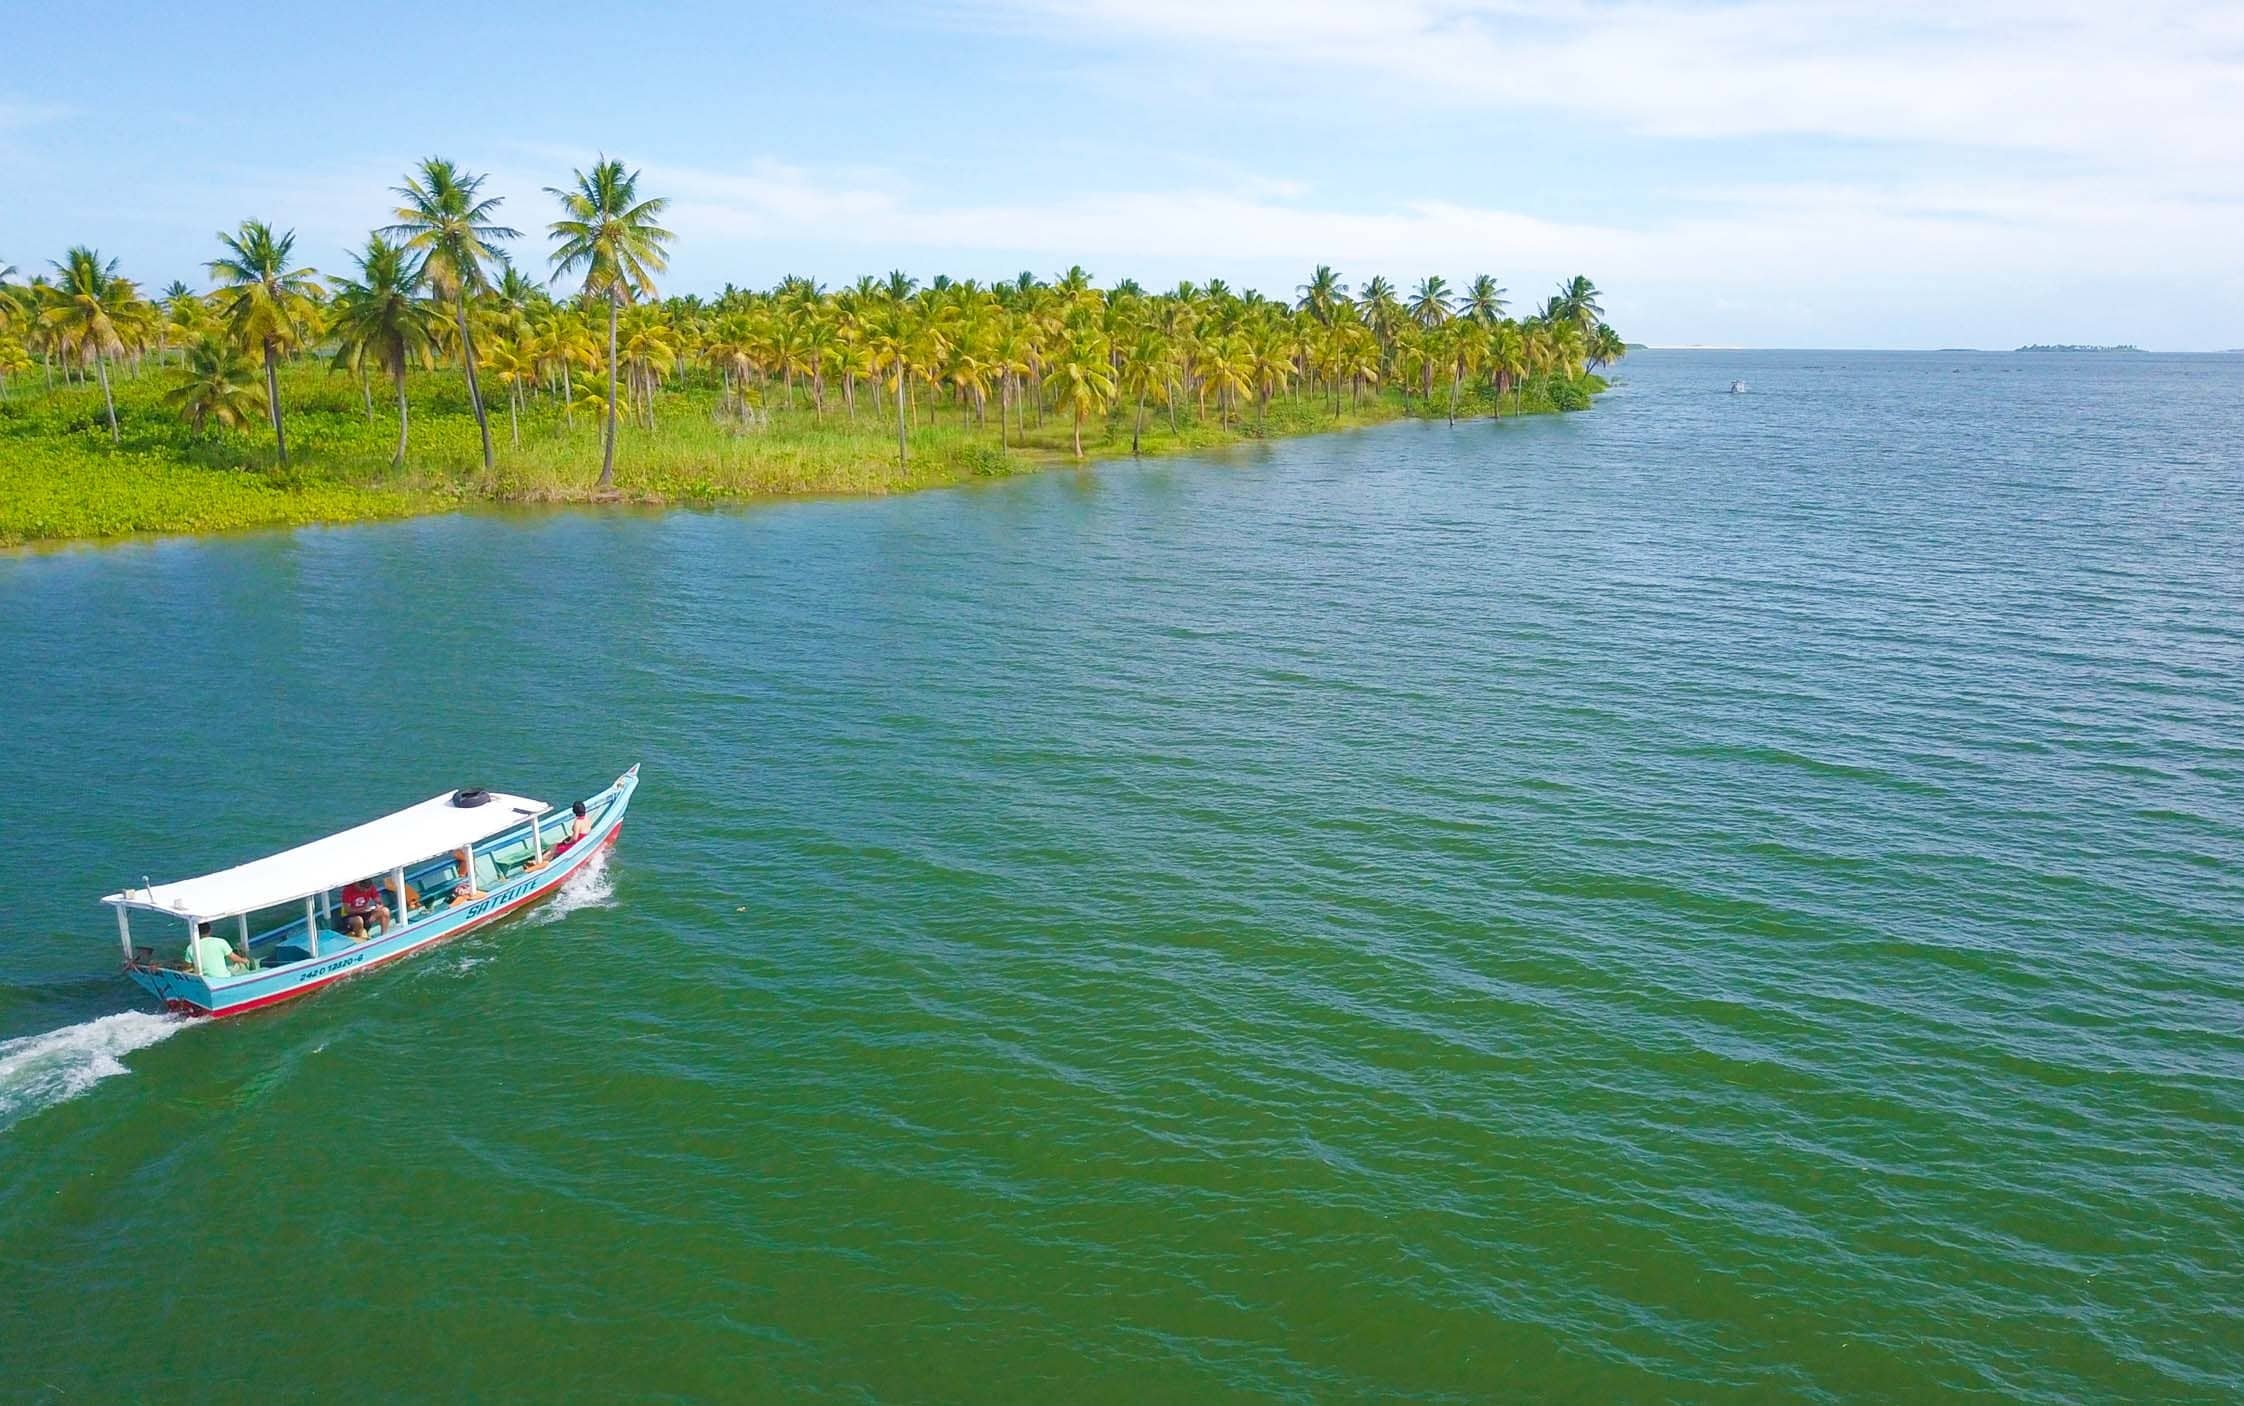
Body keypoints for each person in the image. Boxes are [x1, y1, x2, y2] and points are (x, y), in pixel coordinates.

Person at [181, 921, 250, 980]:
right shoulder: (221, 941)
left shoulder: (191, 947)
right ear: (210, 930)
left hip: (207, 980)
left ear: (197, 932)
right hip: (224, 977)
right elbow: (234, 958)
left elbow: (187, 966)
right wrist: (244, 960)